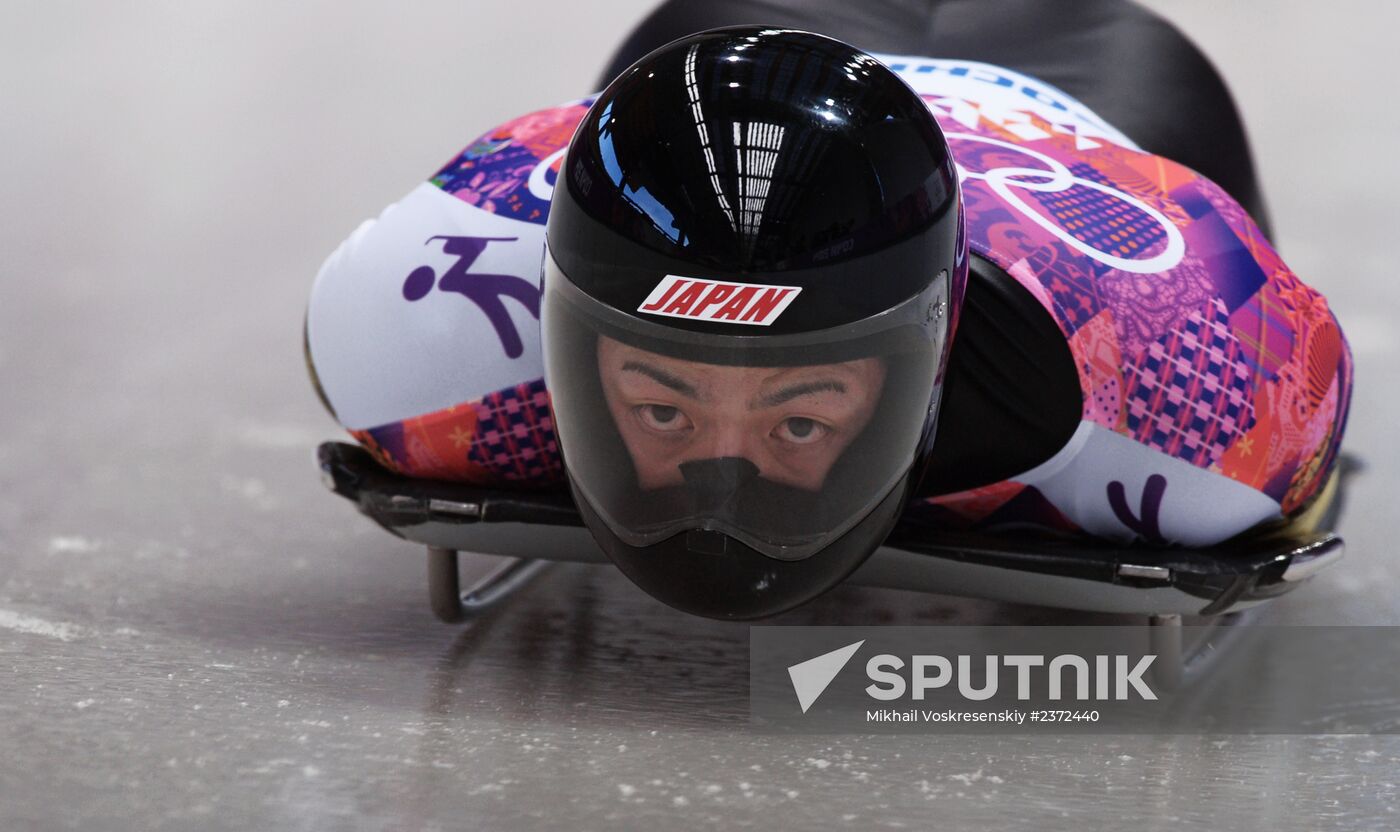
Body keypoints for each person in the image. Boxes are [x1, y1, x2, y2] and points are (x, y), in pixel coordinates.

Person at [304, 2, 1352, 617]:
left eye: (798, 416)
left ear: (934, 351)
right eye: (662, 406)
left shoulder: (1185, 382)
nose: (723, 483)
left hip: (1089, 105)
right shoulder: (409, 326)